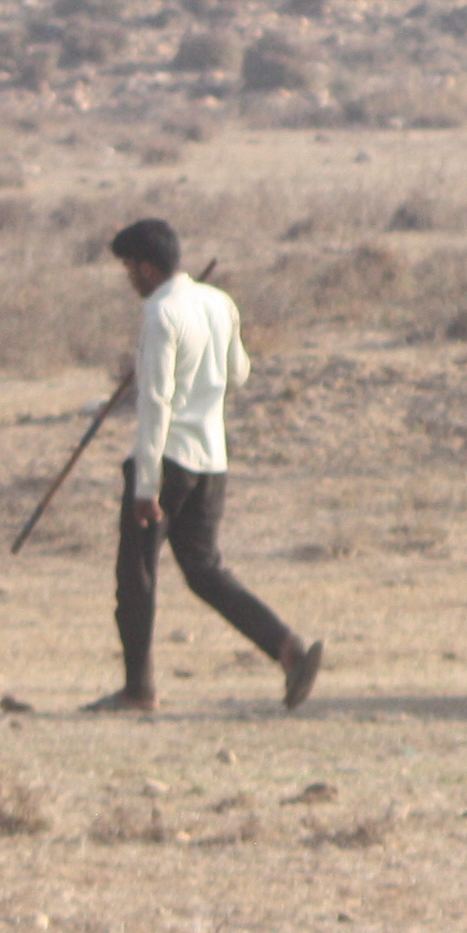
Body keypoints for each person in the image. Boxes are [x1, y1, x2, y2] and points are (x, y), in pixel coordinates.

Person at [86, 219, 323, 713]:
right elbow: (237, 373)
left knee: (136, 575)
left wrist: (145, 485)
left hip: (166, 459)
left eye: (130, 268)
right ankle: (287, 648)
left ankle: (138, 689)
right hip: (212, 458)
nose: (130, 278)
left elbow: (155, 401)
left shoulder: (159, 312)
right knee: (204, 571)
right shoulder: (218, 303)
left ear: (147, 268)